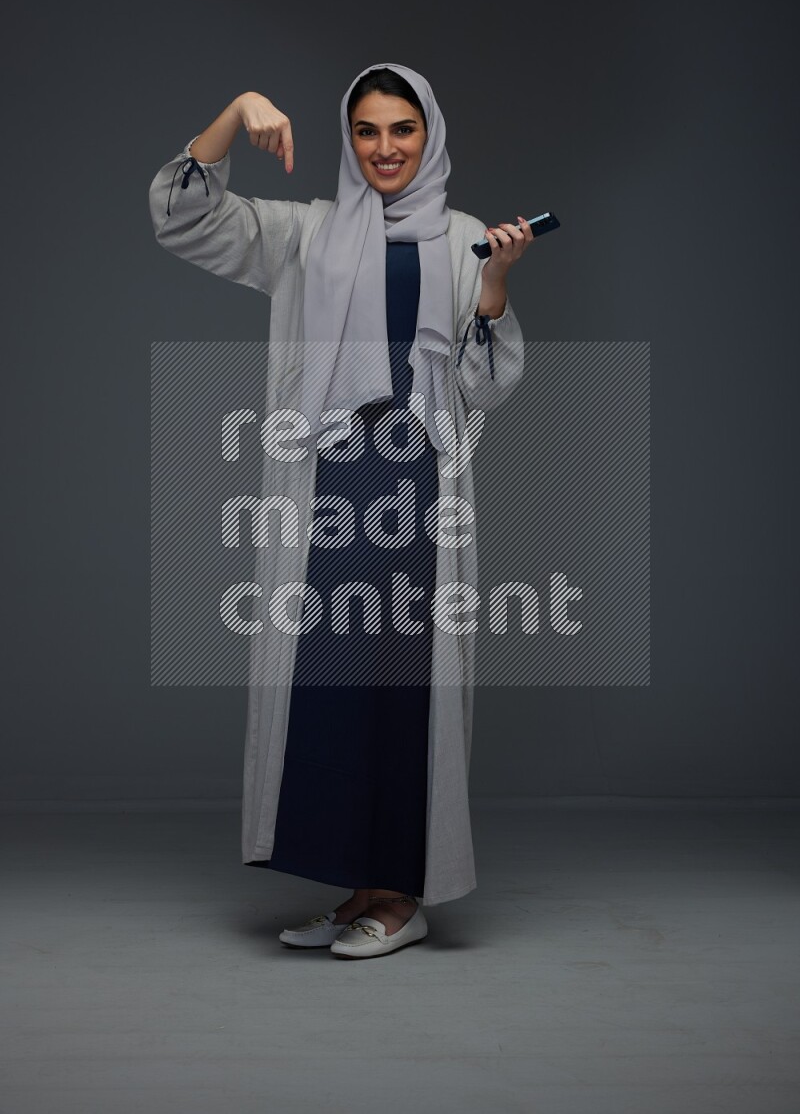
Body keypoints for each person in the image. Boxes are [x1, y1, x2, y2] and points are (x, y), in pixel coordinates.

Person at [148, 63, 530, 958]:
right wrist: (235, 113)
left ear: (428, 136)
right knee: (329, 688)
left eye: (403, 129)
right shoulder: (306, 236)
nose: (386, 148)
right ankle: (359, 882)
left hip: (418, 499)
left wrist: (497, 285)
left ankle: (400, 897)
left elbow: (486, 384)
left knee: (402, 692)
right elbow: (180, 215)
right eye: (368, 130)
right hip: (326, 492)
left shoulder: (465, 238)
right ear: (348, 139)